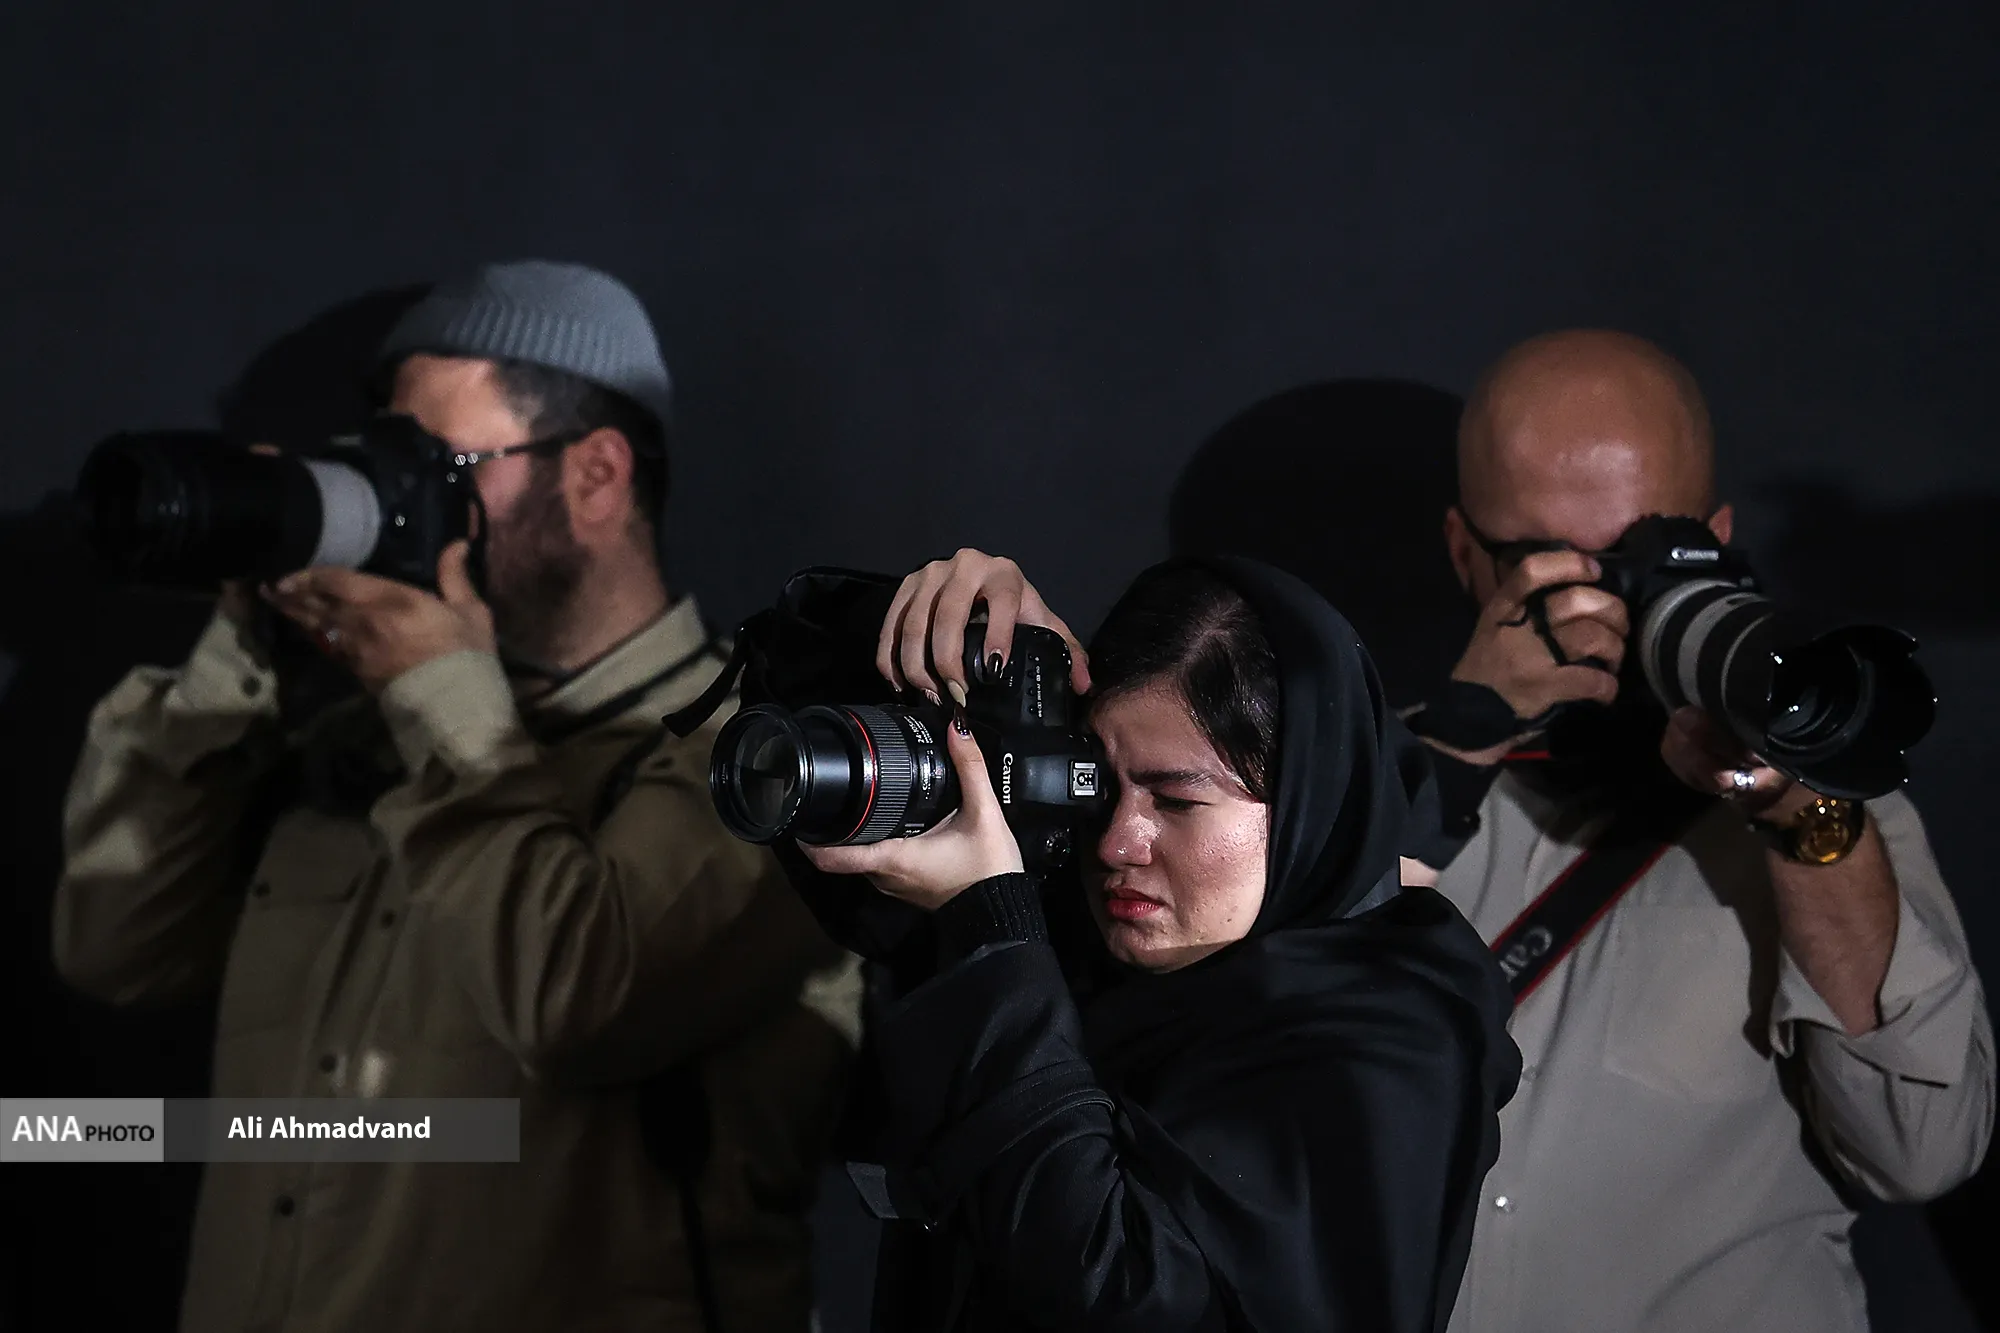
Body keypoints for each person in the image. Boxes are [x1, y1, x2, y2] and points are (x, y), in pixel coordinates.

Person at [52, 260, 862, 1333]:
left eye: (439, 466)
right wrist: (240, 646)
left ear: (596, 475)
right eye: (381, 465)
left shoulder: (764, 759)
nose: (406, 504)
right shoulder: (362, 746)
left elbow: (578, 1006)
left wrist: (437, 693)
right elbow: (116, 946)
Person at [1402, 328, 1995, 1331]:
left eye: (1643, 556)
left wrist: (1796, 813)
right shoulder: (1357, 790)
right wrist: (1460, 740)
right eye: (1548, 563)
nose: (1603, 604)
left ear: (1715, 538)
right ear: (1465, 551)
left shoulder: (1832, 808)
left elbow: (1922, 1149)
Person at [781, 548, 1522, 1330]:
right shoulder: (1097, 945)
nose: (1116, 841)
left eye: (1175, 802)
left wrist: (994, 931)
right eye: (1098, 783)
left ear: (1307, 804)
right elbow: (848, 861)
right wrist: (924, 630)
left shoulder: (1392, 1043)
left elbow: (1124, 1295)